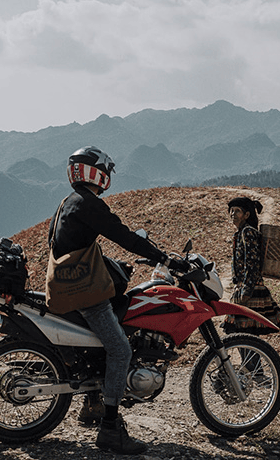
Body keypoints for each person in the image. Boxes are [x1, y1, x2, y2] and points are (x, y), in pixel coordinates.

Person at [47, 146, 188, 455]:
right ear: (95, 173)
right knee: (121, 349)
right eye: (105, 170)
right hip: (82, 292)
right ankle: (110, 429)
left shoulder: (66, 203)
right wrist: (162, 256)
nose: (107, 176)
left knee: (106, 341)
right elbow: (124, 236)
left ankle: (93, 403)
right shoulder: (90, 205)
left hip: (64, 285)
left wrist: (109, 266)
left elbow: (70, 245)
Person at [222, 197, 280, 338]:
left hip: (249, 290)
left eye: (237, 211)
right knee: (244, 335)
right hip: (244, 287)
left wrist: (246, 290)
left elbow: (252, 263)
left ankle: (252, 360)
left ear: (247, 215)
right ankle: (252, 360)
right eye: (231, 211)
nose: (233, 214)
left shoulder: (248, 233)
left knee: (245, 335)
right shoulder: (240, 233)